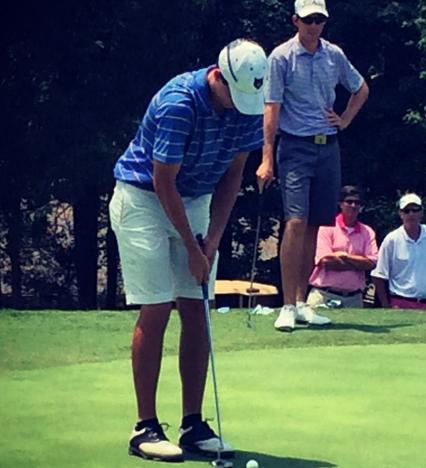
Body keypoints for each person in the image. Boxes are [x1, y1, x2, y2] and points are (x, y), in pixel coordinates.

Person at [109, 39, 267, 462]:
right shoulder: (179, 102)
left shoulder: (248, 104)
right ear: (218, 76)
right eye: (235, 95)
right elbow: (163, 182)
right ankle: (144, 427)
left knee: (197, 305)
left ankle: (193, 424)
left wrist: (212, 241)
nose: (240, 105)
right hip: (143, 199)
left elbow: (234, 176)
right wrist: (194, 251)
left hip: (195, 200)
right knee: (158, 305)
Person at [256, 0, 370, 331]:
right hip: (294, 147)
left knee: (314, 227)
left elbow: (361, 88)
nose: (314, 25)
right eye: (308, 19)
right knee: (294, 222)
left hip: (328, 147)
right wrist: (266, 158)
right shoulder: (281, 57)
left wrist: (345, 119)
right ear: (295, 20)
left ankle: (303, 302)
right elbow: (271, 109)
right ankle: (287, 305)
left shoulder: (333, 54)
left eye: (319, 19)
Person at [371, 193, 426, 310]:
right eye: (407, 210)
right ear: (401, 214)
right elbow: (378, 275)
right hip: (399, 303)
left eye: (415, 210)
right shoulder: (392, 239)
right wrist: (386, 306)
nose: (411, 214)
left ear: (421, 213)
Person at [307, 185, 378, 308]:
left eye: (357, 203)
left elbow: (371, 263)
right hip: (324, 295)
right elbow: (325, 261)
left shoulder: (368, 232)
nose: (353, 206)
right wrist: (358, 263)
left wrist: (344, 256)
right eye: (349, 202)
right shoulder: (326, 228)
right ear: (340, 204)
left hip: (354, 299)